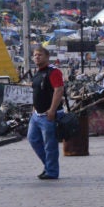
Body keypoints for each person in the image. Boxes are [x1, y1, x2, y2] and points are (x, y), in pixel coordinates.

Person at [28, 47, 65, 180]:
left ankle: (52, 171)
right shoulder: (37, 73)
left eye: (40, 55)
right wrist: (34, 109)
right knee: (33, 139)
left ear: (47, 56)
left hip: (49, 115)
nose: (37, 57)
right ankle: (49, 166)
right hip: (36, 115)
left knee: (50, 145)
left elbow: (59, 90)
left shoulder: (53, 72)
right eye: (35, 55)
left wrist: (52, 110)